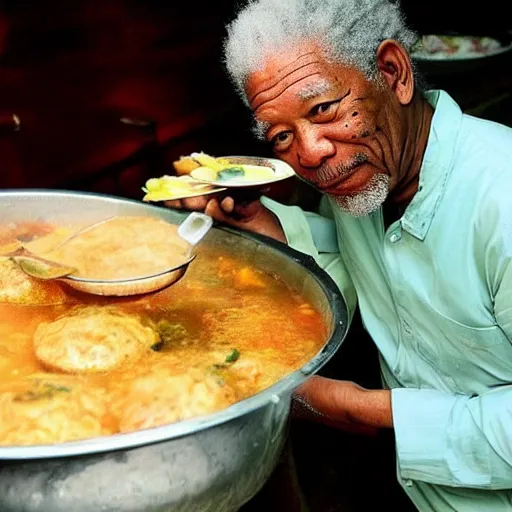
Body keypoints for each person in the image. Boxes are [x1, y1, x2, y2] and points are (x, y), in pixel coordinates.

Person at [164, 0, 512, 509]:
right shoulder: (368, 183)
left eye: (323, 109)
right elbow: (377, 276)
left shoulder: (500, 199)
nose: (309, 154)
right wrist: (268, 234)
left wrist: (356, 408)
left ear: (393, 73)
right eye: (281, 136)